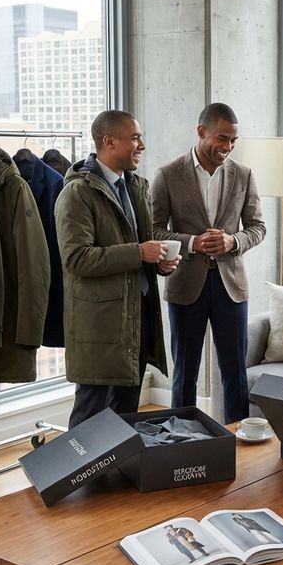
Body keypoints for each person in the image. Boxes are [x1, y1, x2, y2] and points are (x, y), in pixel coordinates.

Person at [55, 110, 180, 428]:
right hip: (100, 326)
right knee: (90, 417)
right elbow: (77, 259)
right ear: (109, 142)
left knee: (126, 415)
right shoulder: (77, 194)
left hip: (137, 320)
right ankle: (79, 479)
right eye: (135, 137)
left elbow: (139, 253)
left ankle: (119, 477)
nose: (143, 145)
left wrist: (160, 263)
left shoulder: (138, 186)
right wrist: (139, 252)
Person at [150, 103, 266, 423]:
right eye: (222, 138)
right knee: (184, 375)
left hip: (231, 287)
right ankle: (181, 440)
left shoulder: (243, 174)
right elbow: (154, 229)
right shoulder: (168, 174)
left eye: (233, 140)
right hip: (186, 285)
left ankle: (237, 445)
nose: (227, 147)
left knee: (235, 375)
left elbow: (258, 227)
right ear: (202, 132)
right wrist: (191, 243)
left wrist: (233, 241)